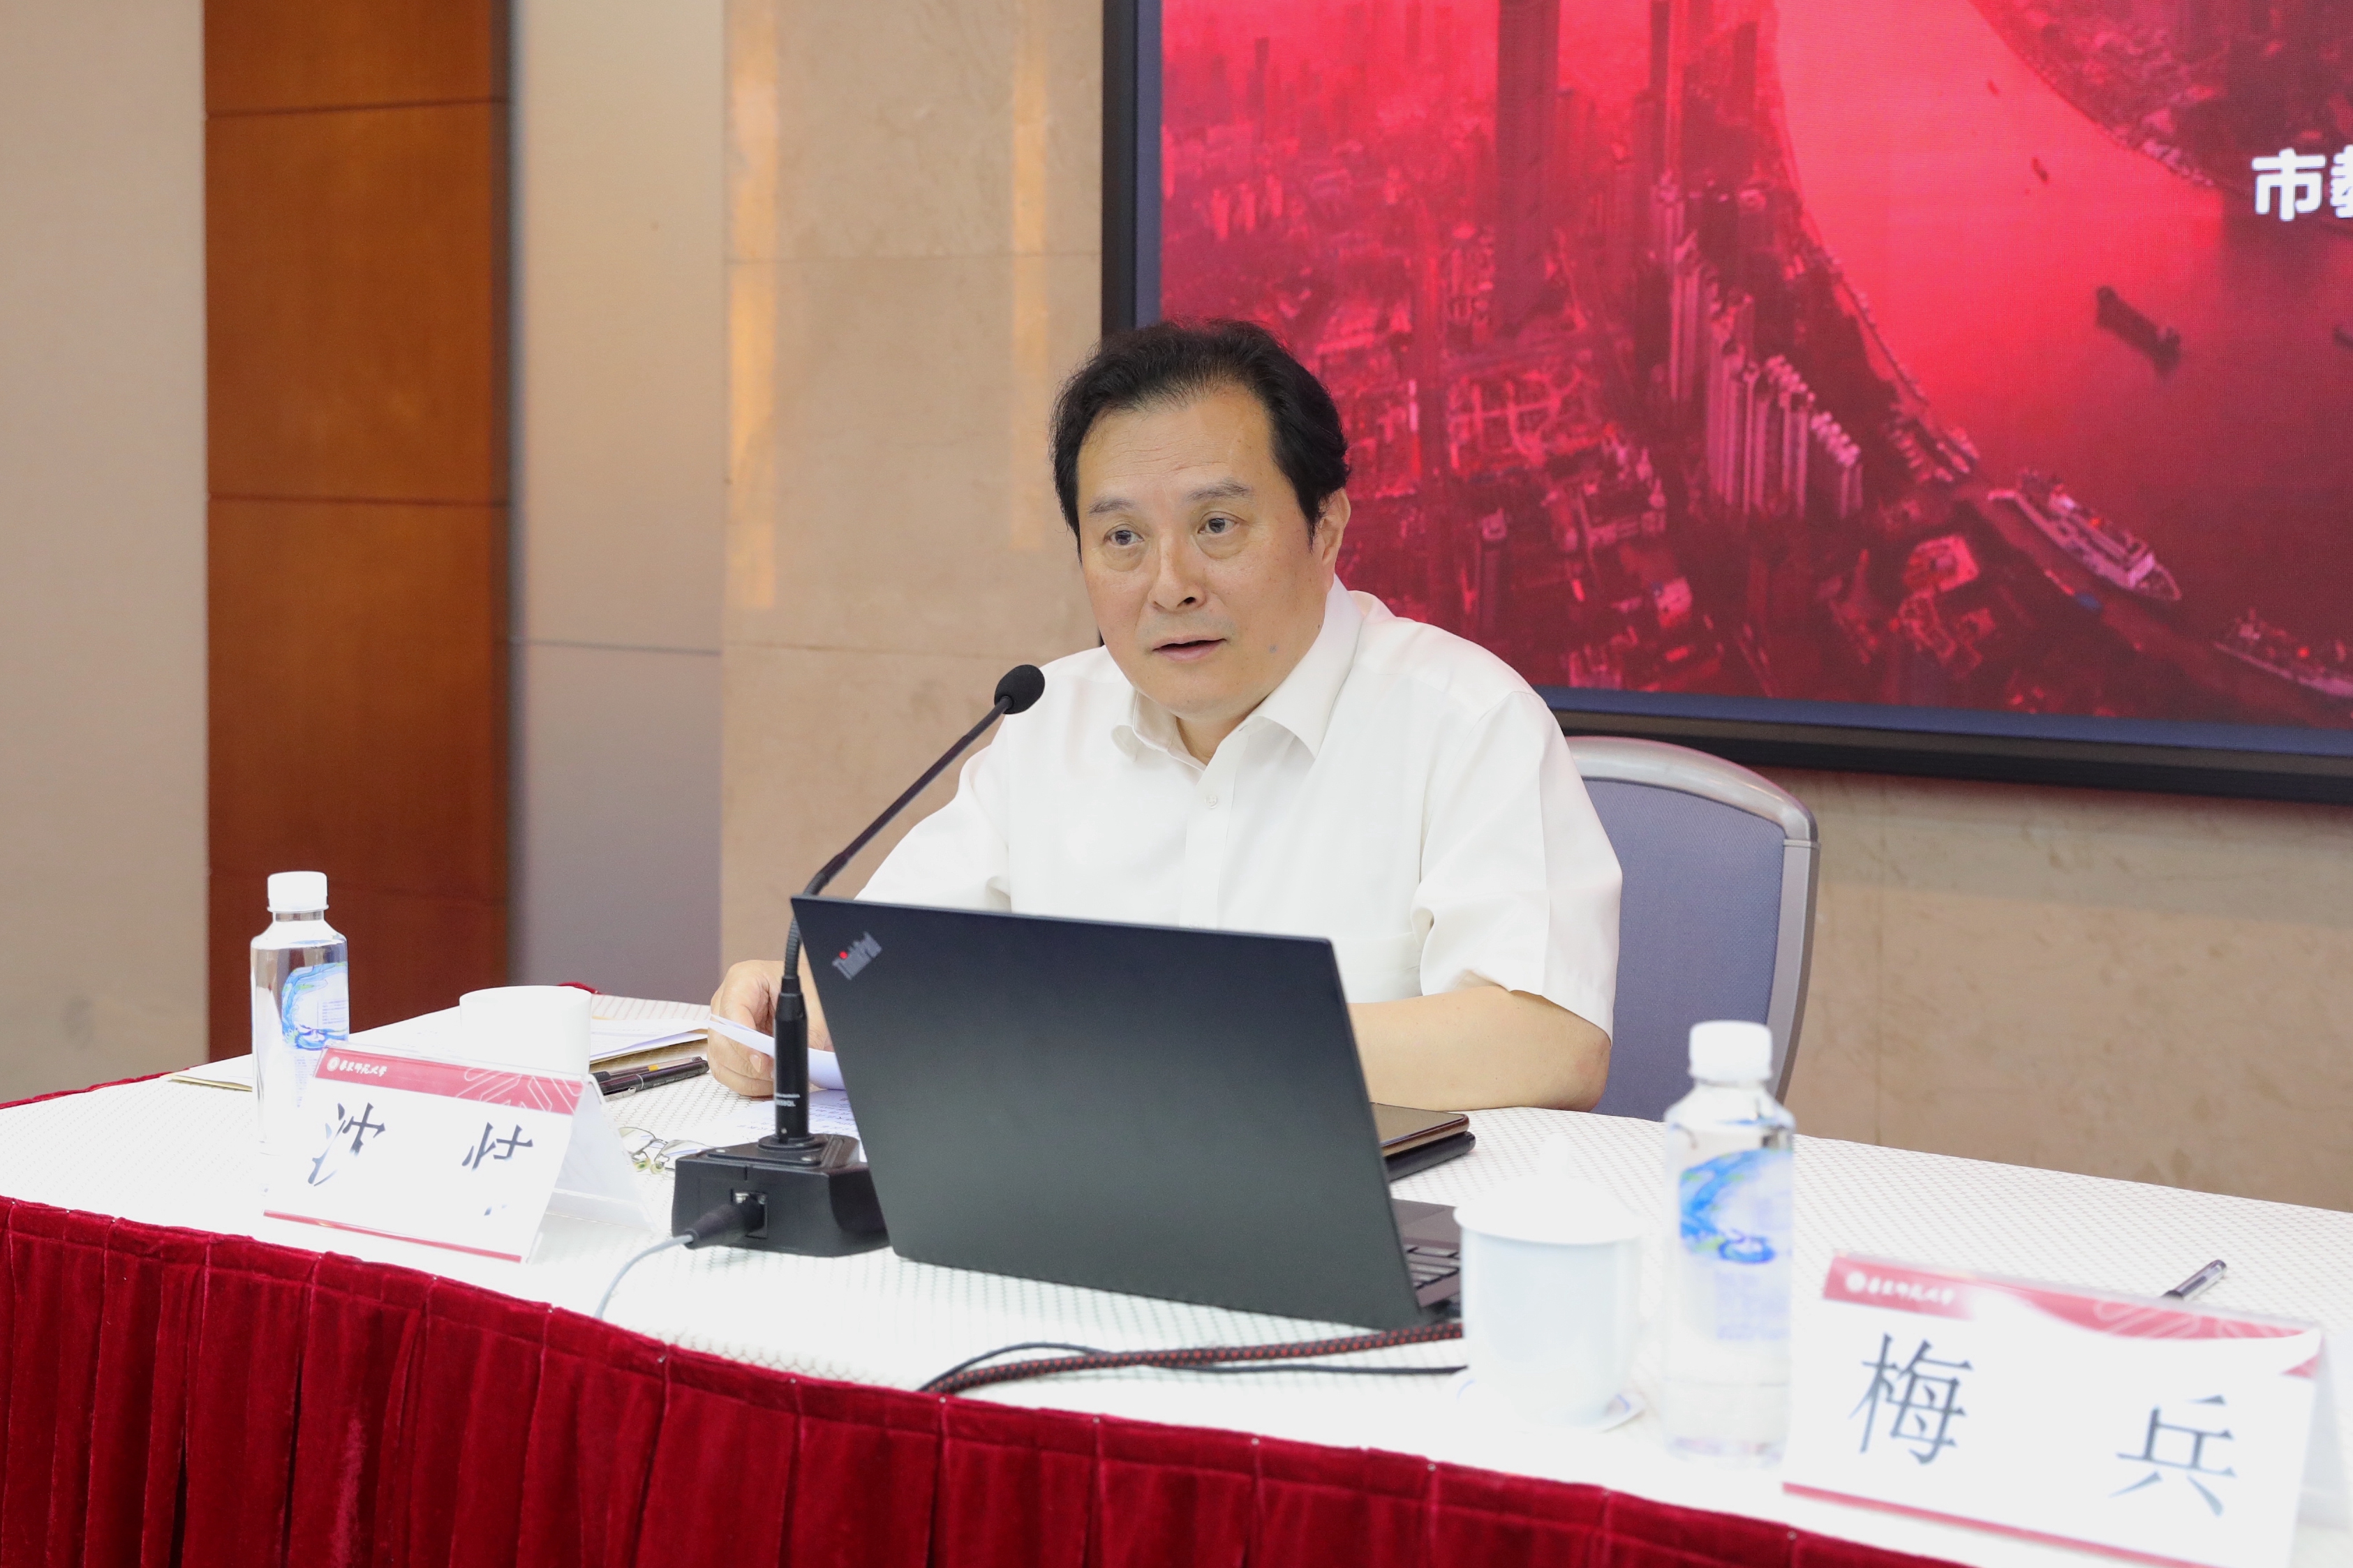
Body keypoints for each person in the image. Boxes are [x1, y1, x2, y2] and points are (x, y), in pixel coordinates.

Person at [708, 319, 1621, 1110]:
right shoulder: (1047, 721)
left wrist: (1176, 1038)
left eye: (1217, 526)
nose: (1170, 585)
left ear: (1327, 526)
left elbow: (1549, 1044)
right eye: (1122, 539)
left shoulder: (1467, 722)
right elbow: (878, 960)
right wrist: (790, 997)